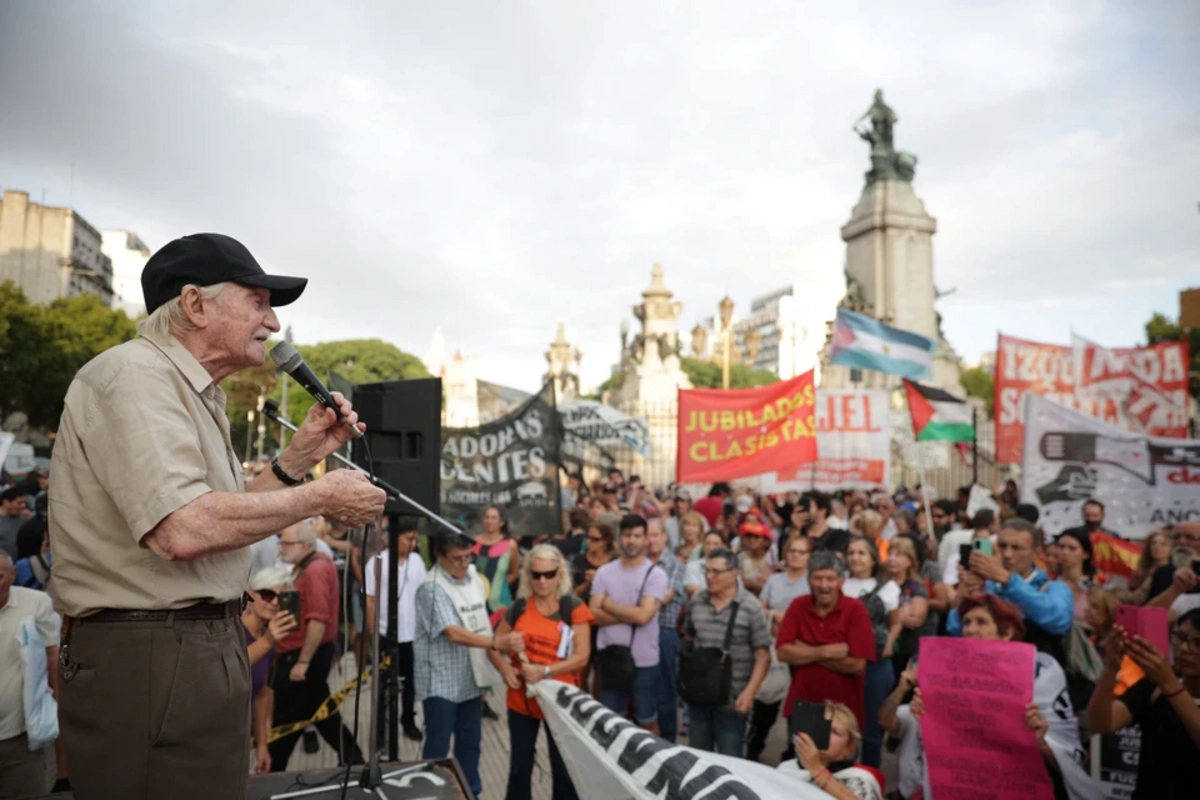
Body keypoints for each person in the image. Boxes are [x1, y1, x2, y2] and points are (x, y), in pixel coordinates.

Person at [48, 234, 386, 800]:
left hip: (192, 645)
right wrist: (320, 499)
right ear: (195, 305)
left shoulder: (194, 392)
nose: (274, 323)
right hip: (152, 651)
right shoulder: (136, 377)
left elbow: (224, 521)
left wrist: (299, 459)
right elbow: (182, 528)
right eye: (258, 302)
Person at [949, 594, 1095, 800]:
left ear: (1007, 632)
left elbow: (1068, 754)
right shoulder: (951, 675)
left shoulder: (1041, 672)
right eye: (966, 622)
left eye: (981, 622)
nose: (970, 630)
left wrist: (1041, 743)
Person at [415, 532, 525, 797]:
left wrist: (495, 664)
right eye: (456, 559)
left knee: (470, 745)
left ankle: (471, 793)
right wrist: (497, 643)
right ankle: (432, 794)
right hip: (441, 682)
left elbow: (479, 621)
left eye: (468, 557)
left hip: (471, 678)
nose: (464, 564)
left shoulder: (474, 577)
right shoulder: (431, 587)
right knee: (438, 748)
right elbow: (453, 633)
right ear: (439, 557)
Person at [489, 544, 593, 800]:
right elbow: (493, 645)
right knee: (519, 768)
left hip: (560, 701)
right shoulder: (520, 607)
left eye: (549, 574)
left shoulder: (573, 607)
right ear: (528, 576)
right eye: (536, 575)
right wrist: (505, 669)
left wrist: (544, 671)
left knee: (564, 770)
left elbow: (582, 656)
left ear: (560, 574)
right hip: (522, 701)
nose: (543, 581)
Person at [269, 521, 364, 770]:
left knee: (287, 724)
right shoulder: (306, 565)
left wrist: (302, 662)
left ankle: (270, 772)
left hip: (302, 659)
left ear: (304, 545)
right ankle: (354, 760)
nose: (280, 548)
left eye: (285, 543)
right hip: (299, 656)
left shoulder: (315, 570)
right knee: (322, 716)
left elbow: (318, 621)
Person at [1088, 608, 1200, 799]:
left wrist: (1169, 684)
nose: (1183, 649)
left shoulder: (1165, 683)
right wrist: (1111, 668)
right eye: (1180, 637)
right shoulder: (1154, 687)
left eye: (1198, 643)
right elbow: (1101, 723)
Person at [679, 547, 772, 756]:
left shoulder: (750, 607)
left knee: (730, 760)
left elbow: (763, 655)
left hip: (733, 700)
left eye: (716, 572)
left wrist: (749, 693)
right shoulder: (697, 602)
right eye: (707, 570)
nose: (710, 577)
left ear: (734, 573)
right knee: (698, 756)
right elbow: (688, 637)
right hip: (700, 695)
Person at [948, 518, 1074, 662]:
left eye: (1016, 548)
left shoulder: (1054, 588)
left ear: (1037, 553)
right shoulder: (987, 587)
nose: (1007, 555)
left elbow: (1058, 620)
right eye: (1002, 546)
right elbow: (954, 629)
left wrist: (1007, 580)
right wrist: (970, 592)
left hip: (1036, 675)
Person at [777, 551, 876, 730]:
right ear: (808, 580)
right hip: (803, 703)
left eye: (830, 579)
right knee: (801, 756)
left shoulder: (855, 610)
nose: (824, 586)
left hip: (842, 710)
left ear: (841, 581)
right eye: (817, 578)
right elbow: (783, 652)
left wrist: (803, 649)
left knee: (838, 757)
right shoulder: (798, 605)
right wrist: (826, 651)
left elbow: (857, 665)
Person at [589, 514, 668, 735]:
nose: (631, 541)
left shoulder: (656, 574)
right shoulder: (605, 572)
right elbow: (593, 613)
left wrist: (610, 606)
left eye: (636, 535)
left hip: (644, 661)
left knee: (647, 720)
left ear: (645, 540)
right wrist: (630, 613)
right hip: (611, 657)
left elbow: (645, 617)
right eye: (626, 535)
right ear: (618, 538)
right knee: (613, 723)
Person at [748, 535, 814, 762]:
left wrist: (786, 619)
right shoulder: (774, 580)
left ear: (809, 556)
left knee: (799, 706)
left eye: (801, 551)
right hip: (774, 647)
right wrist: (777, 615)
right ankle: (754, 748)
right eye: (792, 550)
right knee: (766, 702)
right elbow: (760, 609)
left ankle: (794, 753)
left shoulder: (812, 582)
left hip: (800, 650)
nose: (795, 555)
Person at [0, 551, 59, 799]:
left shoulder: (35, 603)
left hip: (20, 735)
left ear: (13, 575)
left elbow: (52, 654)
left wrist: (58, 706)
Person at [364, 515, 427, 744]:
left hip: (412, 635)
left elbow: (423, 595)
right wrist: (374, 635)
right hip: (385, 634)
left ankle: (408, 721)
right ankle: (380, 729)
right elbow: (370, 600)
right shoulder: (377, 562)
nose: (413, 544)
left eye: (415, 539)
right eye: (409, 539)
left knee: (411, 683)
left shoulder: (418, 562)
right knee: (382, 685)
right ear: (394, 538)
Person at [841, 537, 898, 769]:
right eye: (851, 552)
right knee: (842, 724)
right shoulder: (839, 583)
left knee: (872, 729)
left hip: (875, 664)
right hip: (843, 662)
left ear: (873, 559)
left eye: (861, 553)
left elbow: (895, 622)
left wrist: (889, 644)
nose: (855, 557)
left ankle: (870, 778)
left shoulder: (888, 587)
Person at [240, 565, 297, 774]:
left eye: (280, 598)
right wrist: (268, 640)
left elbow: (261, 693)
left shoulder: (267, 636)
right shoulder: (232, 630)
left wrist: (262, 745)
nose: (273, 602)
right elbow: (232, 668)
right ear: (251, 595)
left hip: (241, 736)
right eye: (266, 594)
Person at [776, 701, 884, 800]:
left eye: (835, 732)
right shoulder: (786, 769)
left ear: (848, 749)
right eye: (822, 728)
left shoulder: (859, 782)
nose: (825, 734)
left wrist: (817, 770)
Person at [646, 519, 686, 742]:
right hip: (638, 630)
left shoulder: (675, 564)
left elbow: (665, 596)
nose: (651, 540)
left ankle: (668, 740)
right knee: (642, 688)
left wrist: (639, 606)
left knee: (665, 688)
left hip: (663, 630)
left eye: (655, 535)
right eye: (648, 536)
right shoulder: (639, 563)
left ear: (664, 537)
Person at [884, 536, 930, 677]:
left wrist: (887, 613)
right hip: (882, 648)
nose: (892, 558)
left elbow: (915, 619)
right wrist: (902, 614)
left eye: (898, 555)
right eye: (890, 554)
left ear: (909, 561)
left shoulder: (917, 587)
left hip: (907, 650)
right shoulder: (880, 584)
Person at [472, 506, 520, 614]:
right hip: (475, 601)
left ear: (502, 522)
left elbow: (514, 572)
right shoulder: (473, 542)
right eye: (487, 517)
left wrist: (499, 584)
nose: (490, 521)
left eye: (494, 518)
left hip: (499, 604)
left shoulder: (510, 545)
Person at [1055, 528, 1096, 623]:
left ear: (1085, 554)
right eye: (1061, 547)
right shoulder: (1048, 583)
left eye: (1072, 548)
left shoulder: (1092, 588)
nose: (1065, 552)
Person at [684, 530, 728, 597]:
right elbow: (693, 590)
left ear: (723, 546)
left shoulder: (730, 567)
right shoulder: (692, 566)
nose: (711, 547)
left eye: (716, 544)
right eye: (707, 544)